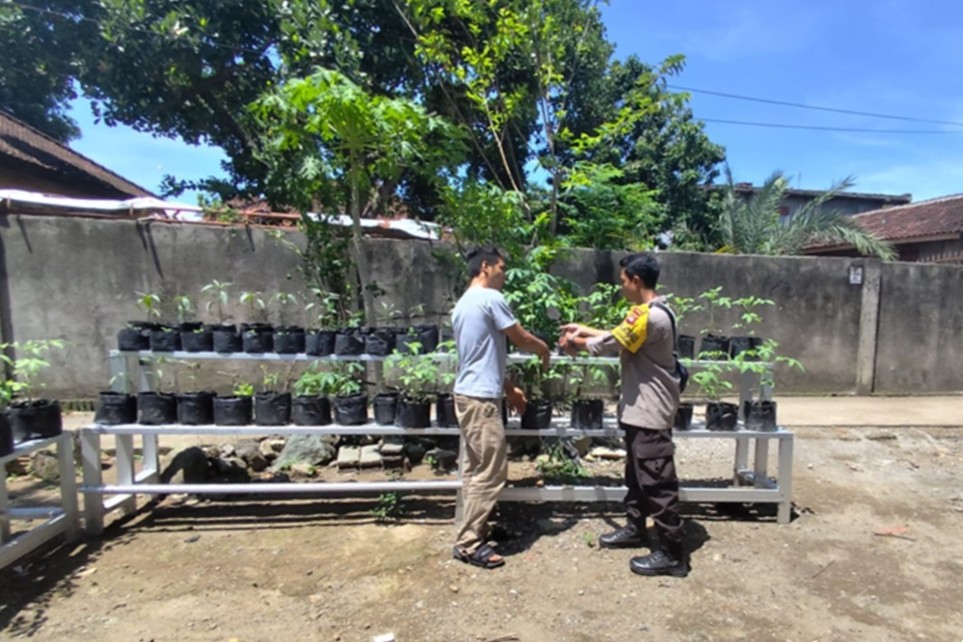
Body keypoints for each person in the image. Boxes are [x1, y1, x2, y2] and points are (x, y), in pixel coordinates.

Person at [559, 252, 688, 577]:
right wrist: (584, 329)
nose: (621, 287)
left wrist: (574, 341)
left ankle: (673, 554)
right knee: (636, 476)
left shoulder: (650, 316)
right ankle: (635, 528)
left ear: (636, 280)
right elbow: (621, 335)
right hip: (639, 411)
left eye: (623, 281)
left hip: (650, 412)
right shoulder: (653, 312)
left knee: (657, 481)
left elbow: (610, 343)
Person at [451, 245, 550, 569]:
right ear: (485, 267)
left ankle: (476, 529)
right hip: (480, 401)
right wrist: (544, 349)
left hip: (468, 395)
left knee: (475, 469)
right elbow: (520, 338)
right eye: (502, 268)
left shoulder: (463, 305)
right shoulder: (490, 299)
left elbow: (482, 357)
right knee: (492, 472)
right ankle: (468, 543)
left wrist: (508, 389)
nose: (504, 275)